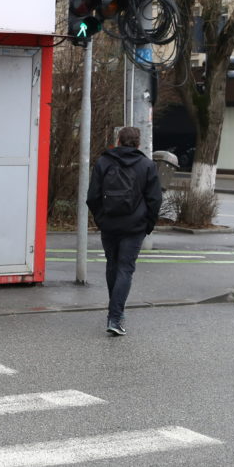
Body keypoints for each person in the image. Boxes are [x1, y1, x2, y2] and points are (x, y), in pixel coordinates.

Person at [86, 126, 162, 336]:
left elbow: (92, 196)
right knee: (125, 269)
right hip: (134, 226)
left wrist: (101, 219)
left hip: (109, 225)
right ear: (138, 143)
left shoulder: (104, 161)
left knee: (113, 266)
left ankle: (115, 313)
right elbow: (155, 200)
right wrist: (147, 224)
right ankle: (115, 316)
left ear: (118, 141)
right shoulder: (147, 165)